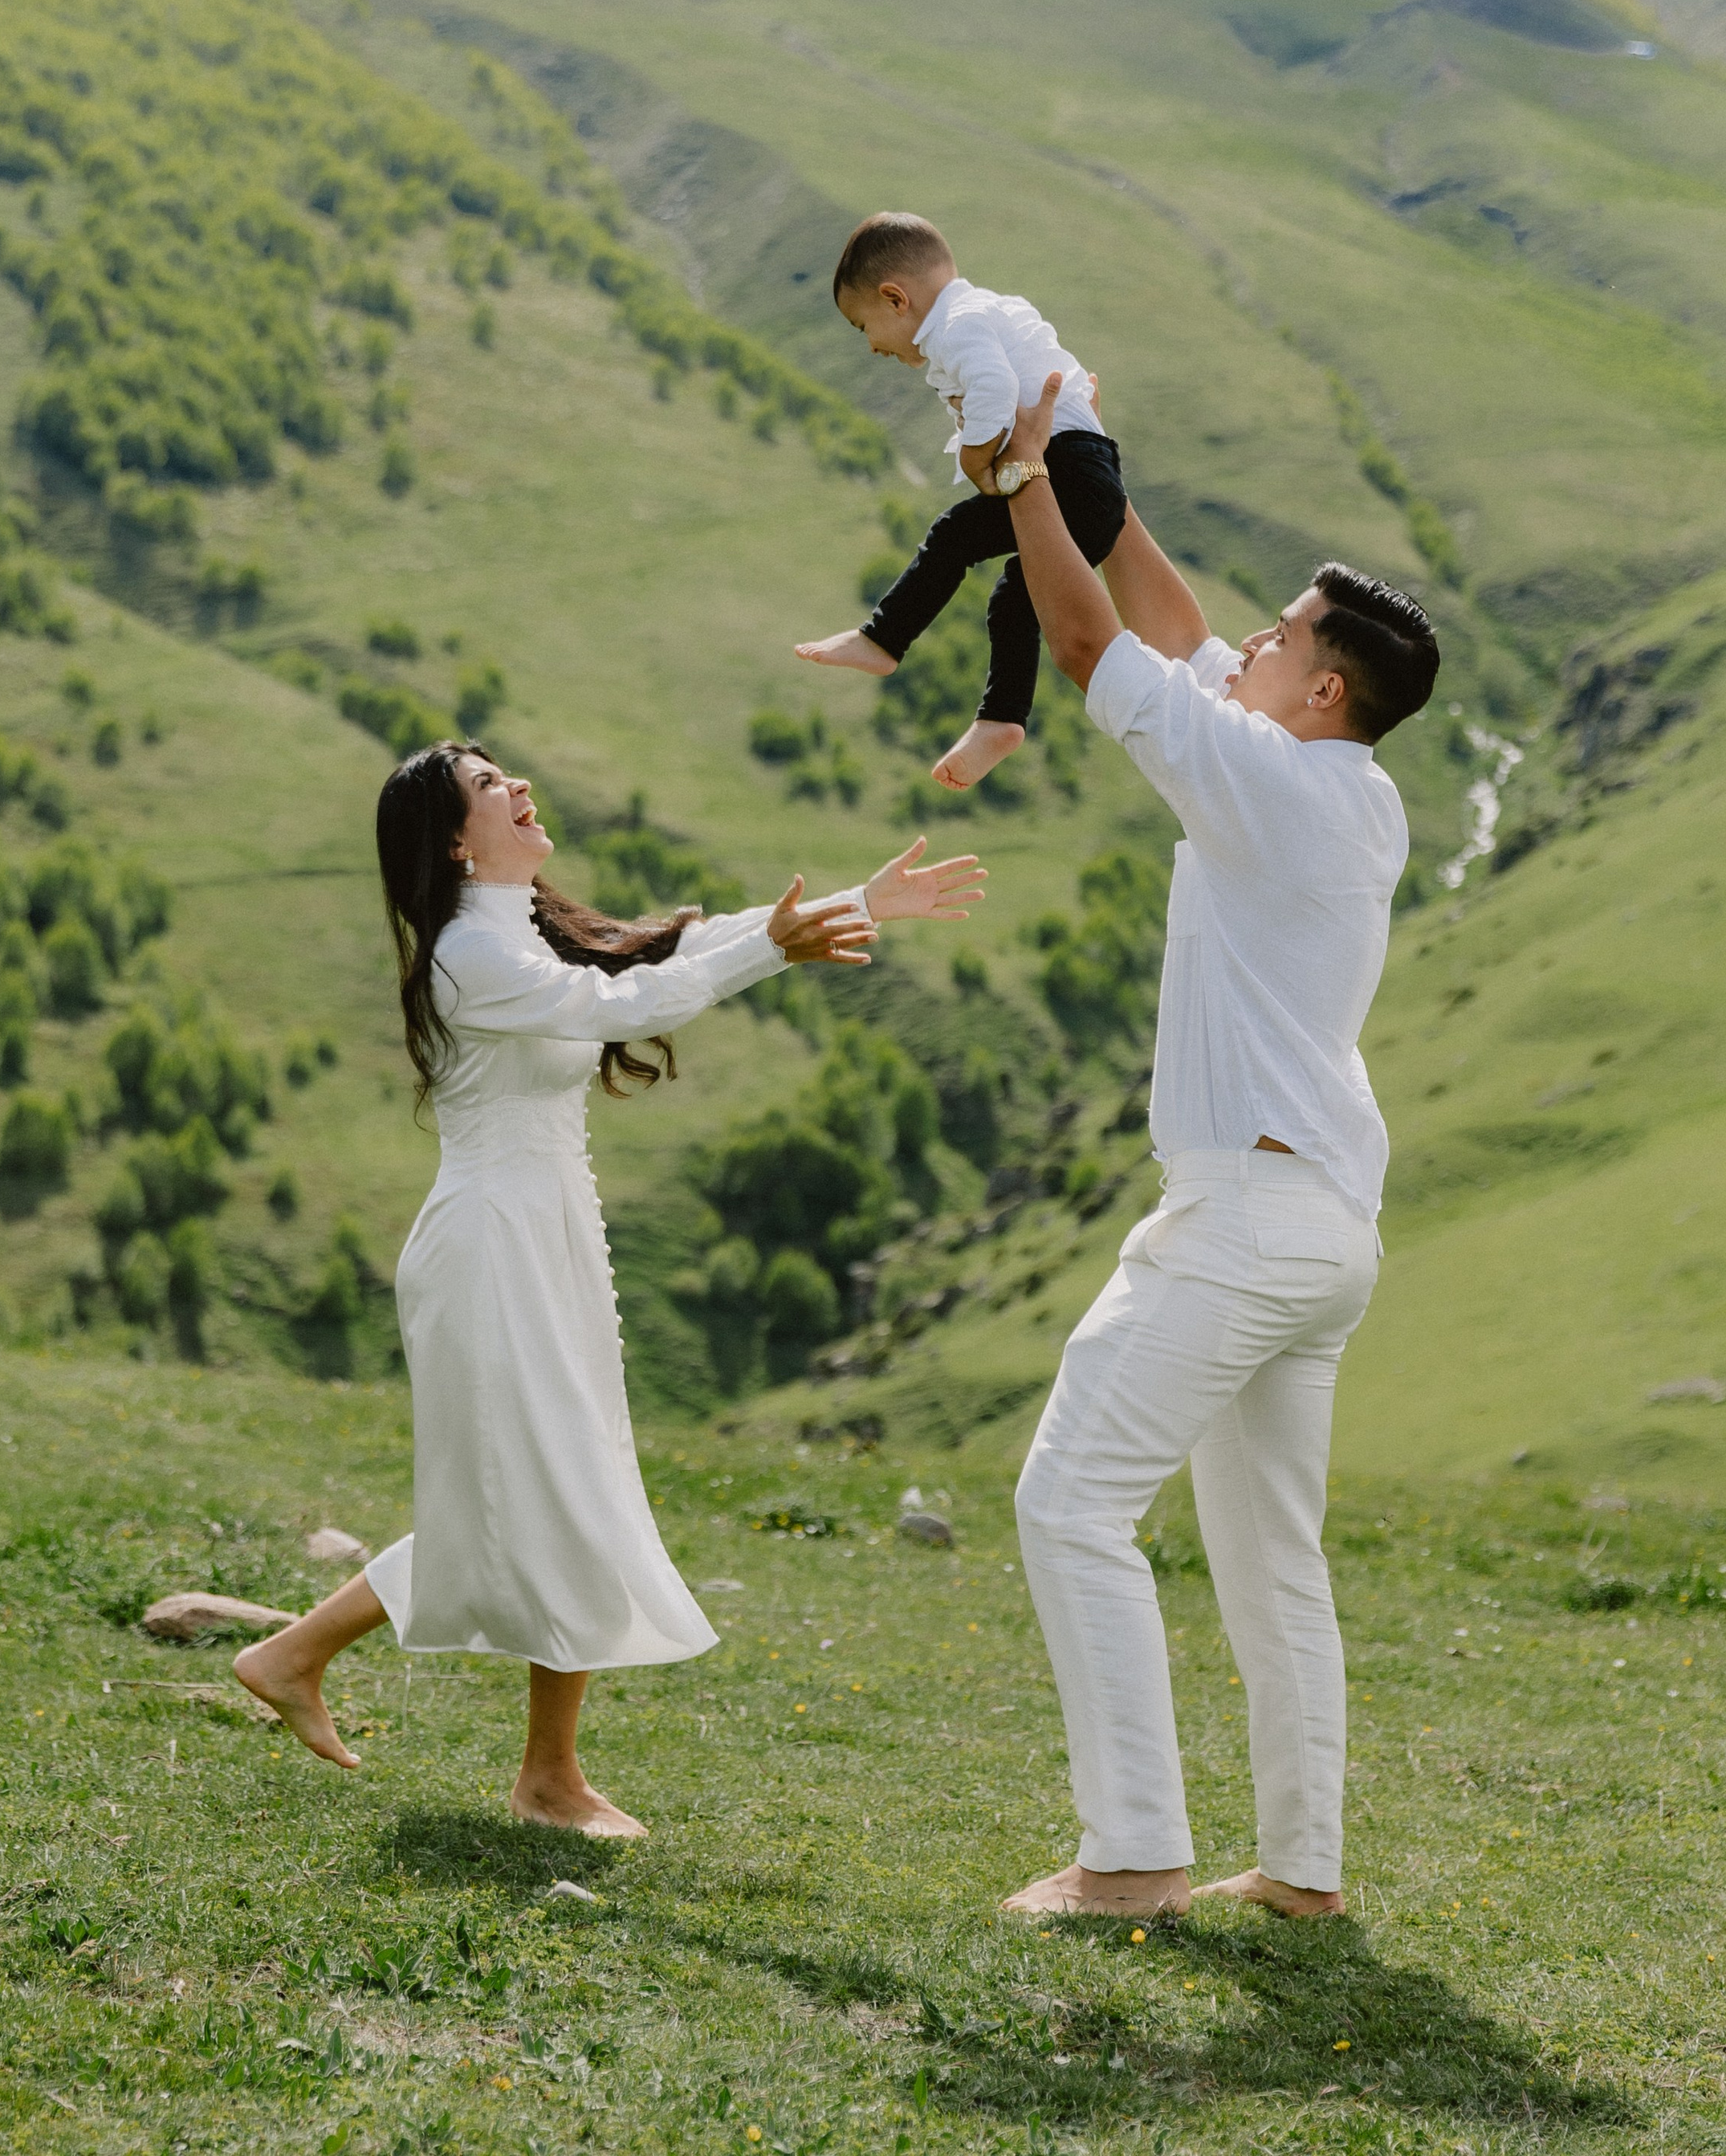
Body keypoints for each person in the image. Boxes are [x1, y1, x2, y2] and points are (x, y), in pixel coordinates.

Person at [235, 741, 986, 1835]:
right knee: (554, 1490)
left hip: (542, 1240)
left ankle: (302, 1660)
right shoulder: (468, 955)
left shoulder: (516, 930)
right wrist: (774, 951)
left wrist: (851, 902)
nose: (521, 788)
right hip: (491, 1252)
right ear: (456, 841)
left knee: (539, 1490)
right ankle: (540, 1777)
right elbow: (625, 1004)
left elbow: (656, 953)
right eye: (493, 789)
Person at [981, 376, 1437, 1925]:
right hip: (1325, 1234)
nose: (1251, 640)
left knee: (1070, 1502)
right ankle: (1300, 1874)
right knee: (1272, 1569)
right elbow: (1177, 630)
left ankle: (1133, 1856)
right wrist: (1094, 470)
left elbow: (1100, 645)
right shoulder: (1350, 786)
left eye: (1283, 638)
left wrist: (1030, 489)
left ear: (1320, 690)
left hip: (1246, 1216)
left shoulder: (1255, 775)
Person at [793, 212, 1125, 790]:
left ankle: (883, 637)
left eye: (862, 325)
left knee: (954, 537)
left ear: (896, 299)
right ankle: (1001, 720)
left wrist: (977, 463)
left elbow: (995, 389)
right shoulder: (981, 313)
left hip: (1071, 471)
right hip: (1092, 483)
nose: (871, 345)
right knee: (1015, 599)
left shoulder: (959, 326)